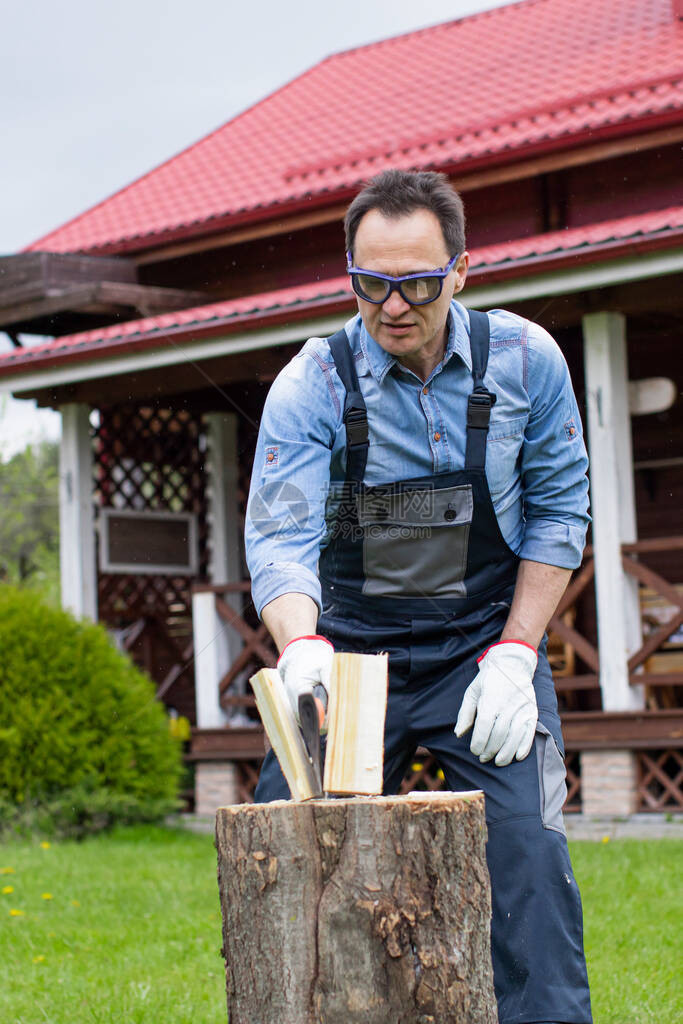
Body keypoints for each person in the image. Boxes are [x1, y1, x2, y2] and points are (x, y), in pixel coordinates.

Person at [245, 169, 592, 1024]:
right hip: (349, 658)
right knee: (282, 860)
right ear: (351, 275)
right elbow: (280, 536)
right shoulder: (310, 384)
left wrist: (517, 652)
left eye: (418, 283)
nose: (393, 306)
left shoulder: (525, 361)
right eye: (371, 284)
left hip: (484, 648)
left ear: (462, 271)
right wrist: (299, 648)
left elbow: (557, 510)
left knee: (530, 863)